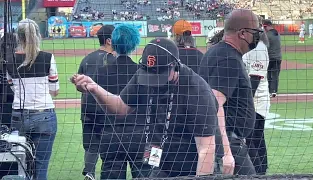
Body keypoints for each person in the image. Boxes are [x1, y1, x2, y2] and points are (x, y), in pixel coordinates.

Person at [72, 38, 218, 178]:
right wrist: (95, 88)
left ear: (175, 66)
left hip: (193, 167)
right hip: (160, 163)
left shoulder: (197, 91)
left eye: (159, 76)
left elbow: (206, 149)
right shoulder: (144, 75)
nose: (153, 82)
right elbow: (120, 107)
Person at [199, 9, 261, 175]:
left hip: (226, 139)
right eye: (255, 32)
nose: (257, 37)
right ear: (242, 33)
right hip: (229, 141)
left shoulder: (217, 52)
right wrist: (226, 152)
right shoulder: (229, 59)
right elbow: (214, 105)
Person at [6, 19, 59, 180]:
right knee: (41, 167)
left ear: (18, 37)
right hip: (44, 114)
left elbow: (12, 87)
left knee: (21, 165)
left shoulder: (9, 60)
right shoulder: (47, 57)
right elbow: (54, 90)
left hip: (19, 116)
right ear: (37, 35)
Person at [95, 24, 149, 180]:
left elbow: (97, 109)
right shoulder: (142, 72)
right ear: (134, 44)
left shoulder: (101, 73)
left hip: (111, 135)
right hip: (141, 135)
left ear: (113, 43)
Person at [77, 24, 116, 179]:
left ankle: (89, 173)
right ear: (109, 41)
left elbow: (80, 87)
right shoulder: (116, 61)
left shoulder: (87, 59)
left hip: (88, 111)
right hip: (109, 111)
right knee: (110, 148)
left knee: (91, 146)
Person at [242, 28, 270, 175]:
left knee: (251, 138)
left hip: (256, 102)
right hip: (256, 101)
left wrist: (246, 103)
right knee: (257, 138)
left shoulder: (259, 51)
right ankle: (262, 170)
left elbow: (254, 80)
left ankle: (258, 171)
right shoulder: (257, 48)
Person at [262, 19, 282, 98]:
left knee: (268, 74)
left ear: (266, 26)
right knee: (275, 75)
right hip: (278, 57)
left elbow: (265, 47)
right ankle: (274, 91)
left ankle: (269, 90)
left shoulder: (267, 35)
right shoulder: (277, 33)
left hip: (270, 57)